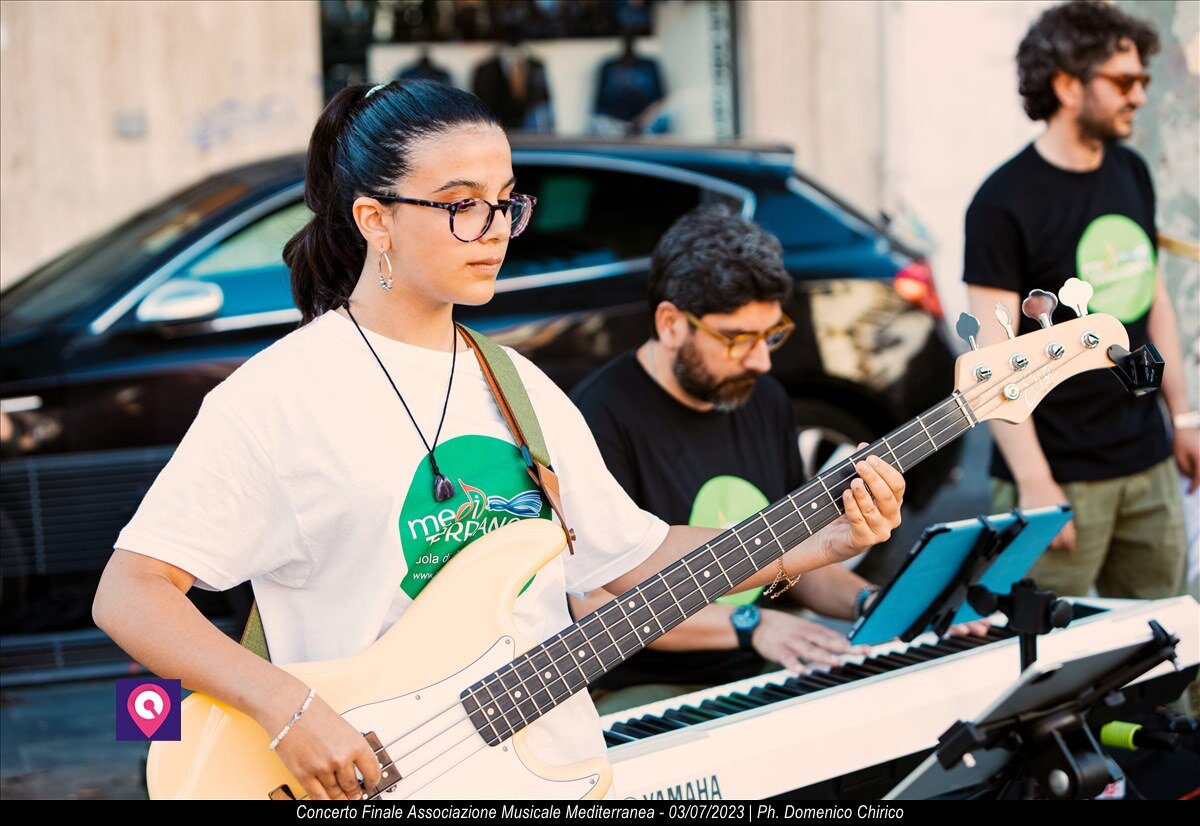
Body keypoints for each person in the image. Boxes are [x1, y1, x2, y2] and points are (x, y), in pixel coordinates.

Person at [91, 79, 907, 801]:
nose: (495, 229)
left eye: (507, 200)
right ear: (374, 219)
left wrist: (817, 542)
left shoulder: (518, 388)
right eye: (460, 203)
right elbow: (130, 593)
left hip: (546, 771)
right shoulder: (280, 396)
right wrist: (288, 709)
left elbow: (637, 556)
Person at [570, 205, 987, 715]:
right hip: (643, 690)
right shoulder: (594, 422)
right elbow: (596, 608)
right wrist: (752, 626)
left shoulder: (762, 399)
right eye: (738, 339)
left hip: (756, 667)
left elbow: (792, 559)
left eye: (770, 335)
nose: (763, 360)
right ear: (671, 323)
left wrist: (871, 605)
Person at [962, 0, 1196, 602]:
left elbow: (1153, 299)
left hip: (1147, 464)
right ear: (1067, 85)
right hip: (1060, 478)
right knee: (1043, 668)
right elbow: (991, 357)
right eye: (1123, 81)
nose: (1139, 95)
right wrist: (1035, 482)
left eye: (1143, 79)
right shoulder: (1001, 203)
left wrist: (1182, 413)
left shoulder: (1131, 172)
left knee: (1160, 647)